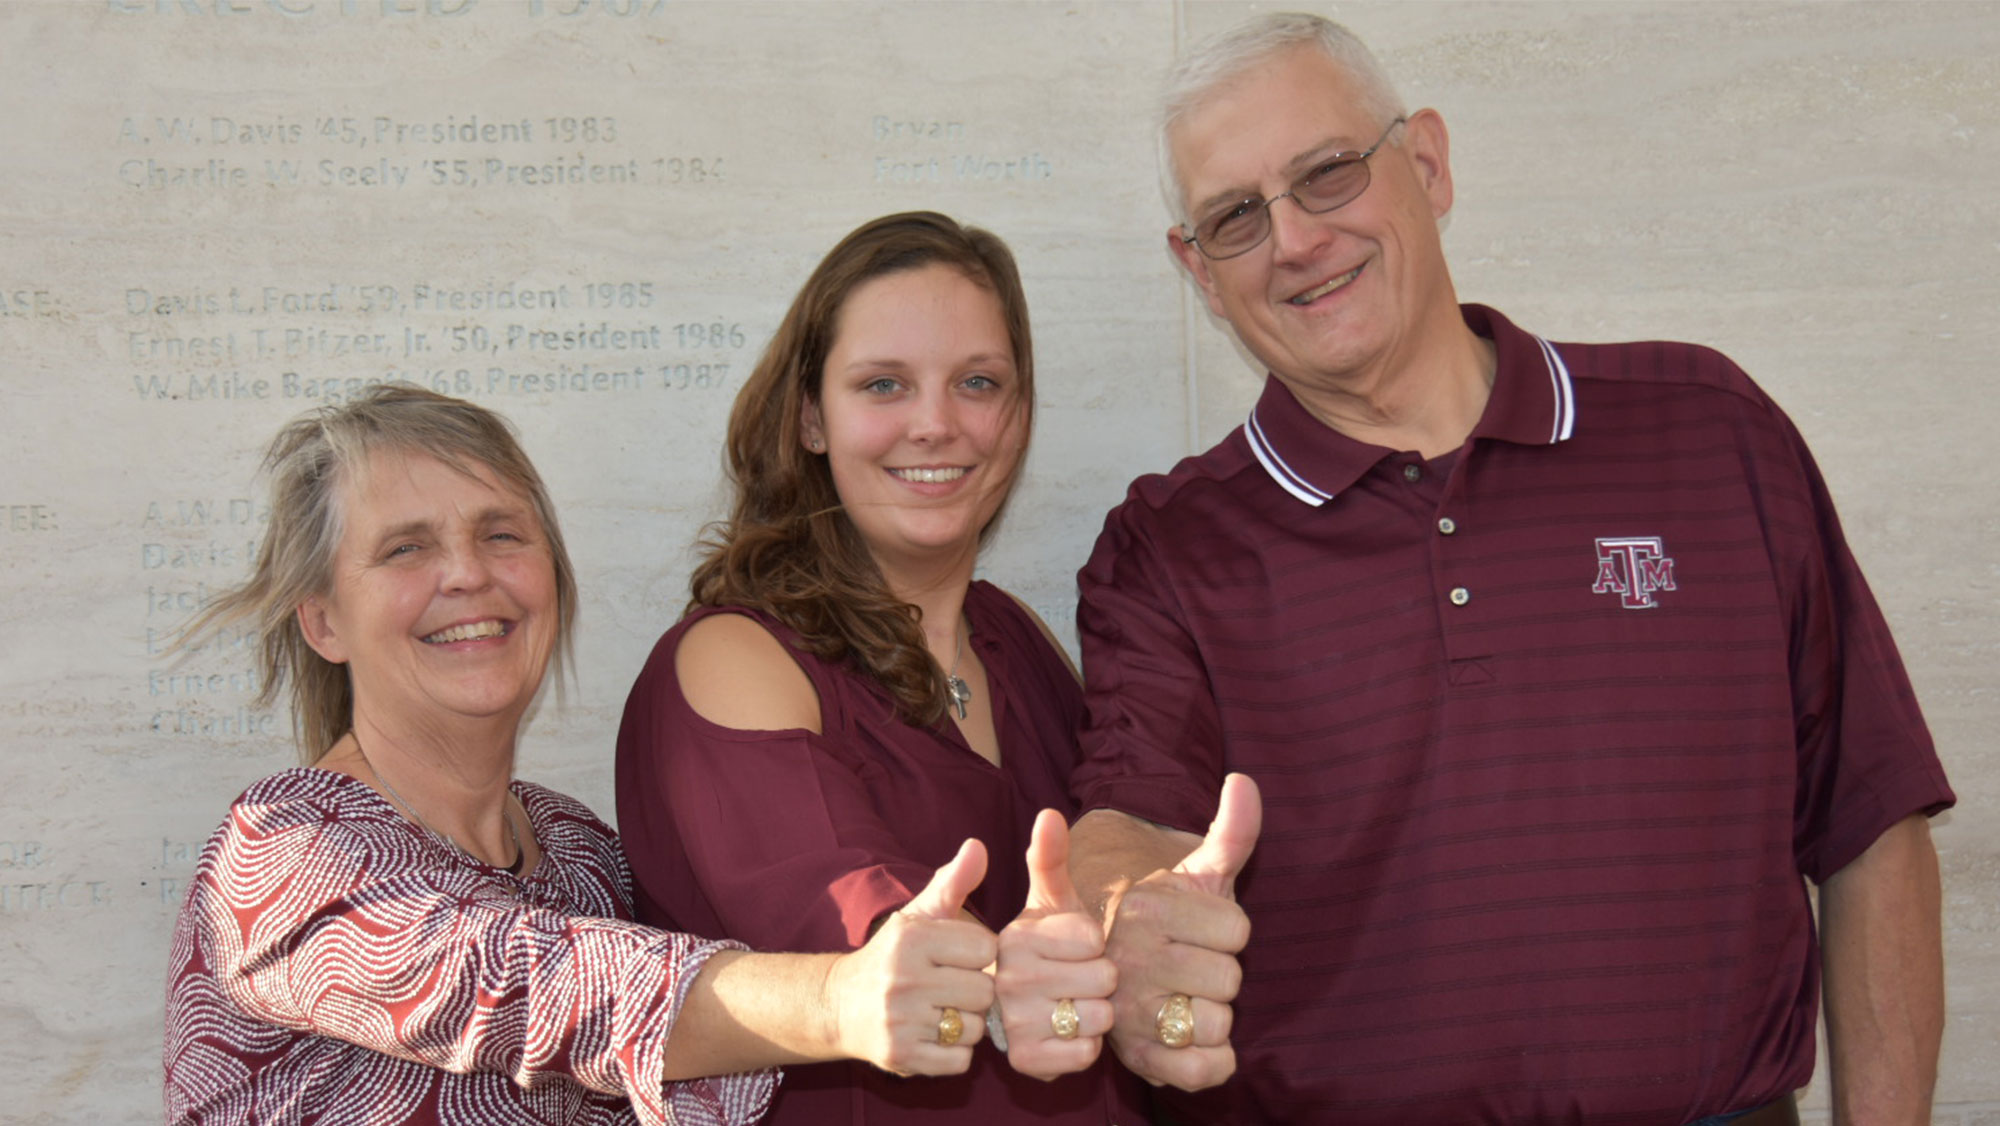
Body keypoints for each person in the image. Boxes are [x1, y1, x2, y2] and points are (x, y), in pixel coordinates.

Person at [1065, 12, 1956, 1126]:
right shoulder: (1167, 547)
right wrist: (1120, 913)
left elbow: (1868, 822)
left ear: (1426, 164)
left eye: (1327, 174)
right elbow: (1133, 828)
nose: (1292, 240)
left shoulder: (1709, 432)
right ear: (1195, 269)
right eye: (1235, 217)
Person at [163, 385, 1004, 1126]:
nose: (467, 574)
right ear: (324, 622)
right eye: (406, 548)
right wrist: (839, 999)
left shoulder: (582, 851)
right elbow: (524, 985)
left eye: (502, 535)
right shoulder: (280, 845)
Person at [615, 211, 1143, 1125]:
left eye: (978, 383)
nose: (935, 425)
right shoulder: (734, 657)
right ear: (812, 418)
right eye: (884, 384)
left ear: (1015, 420)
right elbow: (891, 963)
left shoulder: (1017, 639)